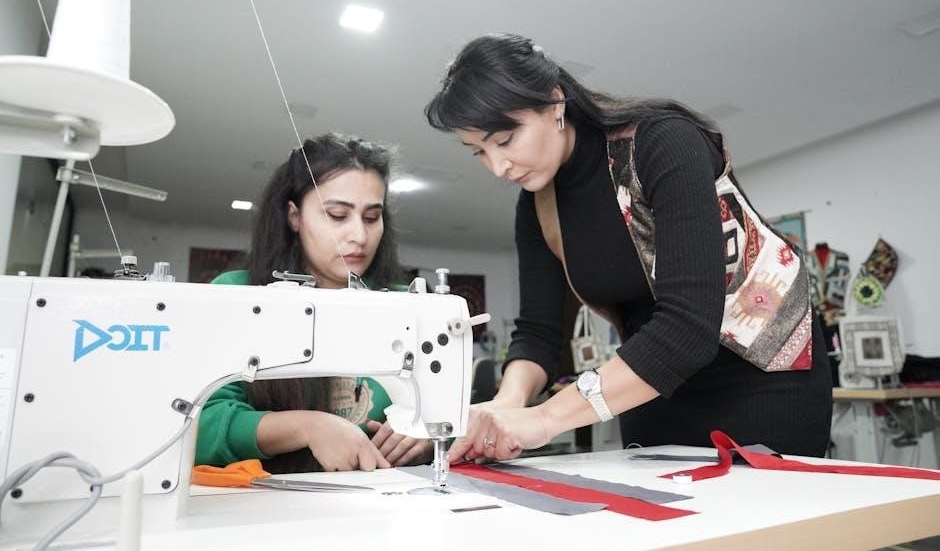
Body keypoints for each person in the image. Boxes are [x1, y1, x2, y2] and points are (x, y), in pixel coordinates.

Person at [424, 34, 832, 462]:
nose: (497, 167)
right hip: (648, 383)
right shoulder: (538, 205)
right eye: (479, 152)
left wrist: (546, 418)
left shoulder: (662, 141)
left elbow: (689, 327)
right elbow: (538, 332)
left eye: (505, 139)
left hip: (759, 377)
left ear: (555, 102)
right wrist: (506, 405)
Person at [195, 133, 432, 473]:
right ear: (294, 216)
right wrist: (307, 427)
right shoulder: (237, 294)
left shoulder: (407, 304)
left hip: (380, 496)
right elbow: (200, 425)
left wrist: (428, 435)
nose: (359, 236)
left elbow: (445, 412)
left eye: (371, 217)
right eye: (337, 215)